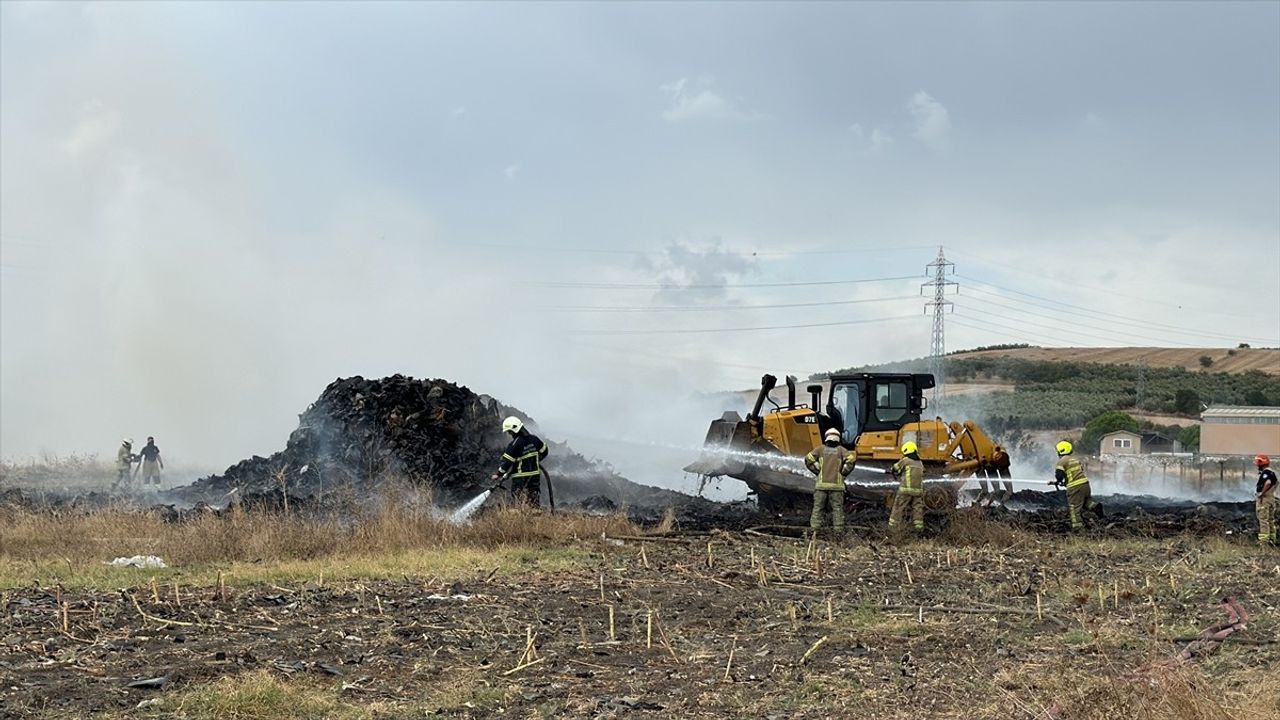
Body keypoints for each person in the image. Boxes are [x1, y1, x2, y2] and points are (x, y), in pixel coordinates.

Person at [805, 428, 856, 533]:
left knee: (818, 509)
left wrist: (817, 470)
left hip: (821, 486)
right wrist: (844, 471)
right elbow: (851, 459)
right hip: (837, 487)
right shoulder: (842, 450)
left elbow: (808, 459)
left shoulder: (820, 449)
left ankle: (814, 531)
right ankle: (838, 532)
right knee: (837, 509)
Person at [491, 416, 548, 507]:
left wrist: (498, 474)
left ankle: (520, 517)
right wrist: (535, 460)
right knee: (534, 501)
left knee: (518, 501)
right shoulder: (534, 439)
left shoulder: (514, 445)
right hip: (534, 476)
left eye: (509, 432)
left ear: (514, 430)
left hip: (520, 478)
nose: (509, 434)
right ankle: (535, 518)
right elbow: (545, 451)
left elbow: (506, 463)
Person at [1053, 440, 1102, 531]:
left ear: (1061, 451)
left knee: (1074, 508)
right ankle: (1095, 506)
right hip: (1085, 484)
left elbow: (1059, 475)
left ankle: (1078, 529)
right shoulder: (1075, 460)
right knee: (1085, 502)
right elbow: (1075, 474)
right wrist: (1065, 483)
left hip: (1075, 487)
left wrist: (1058, 481)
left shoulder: (1062, 462)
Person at [888, 441, 925, 534]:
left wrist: (891, 470)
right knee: (917, 510)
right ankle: (919, 530)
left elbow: (896, 468)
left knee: (898, 508)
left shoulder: (906, 460)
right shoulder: (920, 463)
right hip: (918, 491)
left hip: (905, 490)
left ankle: (892, 529)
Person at [1255, 454, 1276, 547]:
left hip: (1264, 500)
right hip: (1271, 498)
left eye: (1257, 463)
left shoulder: (1265, 473)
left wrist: (1262, 493)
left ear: (1261, 463)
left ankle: (1264, 543)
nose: (1256, 465)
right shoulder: (1272, 472)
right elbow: (1276, 483)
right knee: (1270, 520)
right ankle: (1272, 540)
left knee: (1263, 520)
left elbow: (1268, 483)